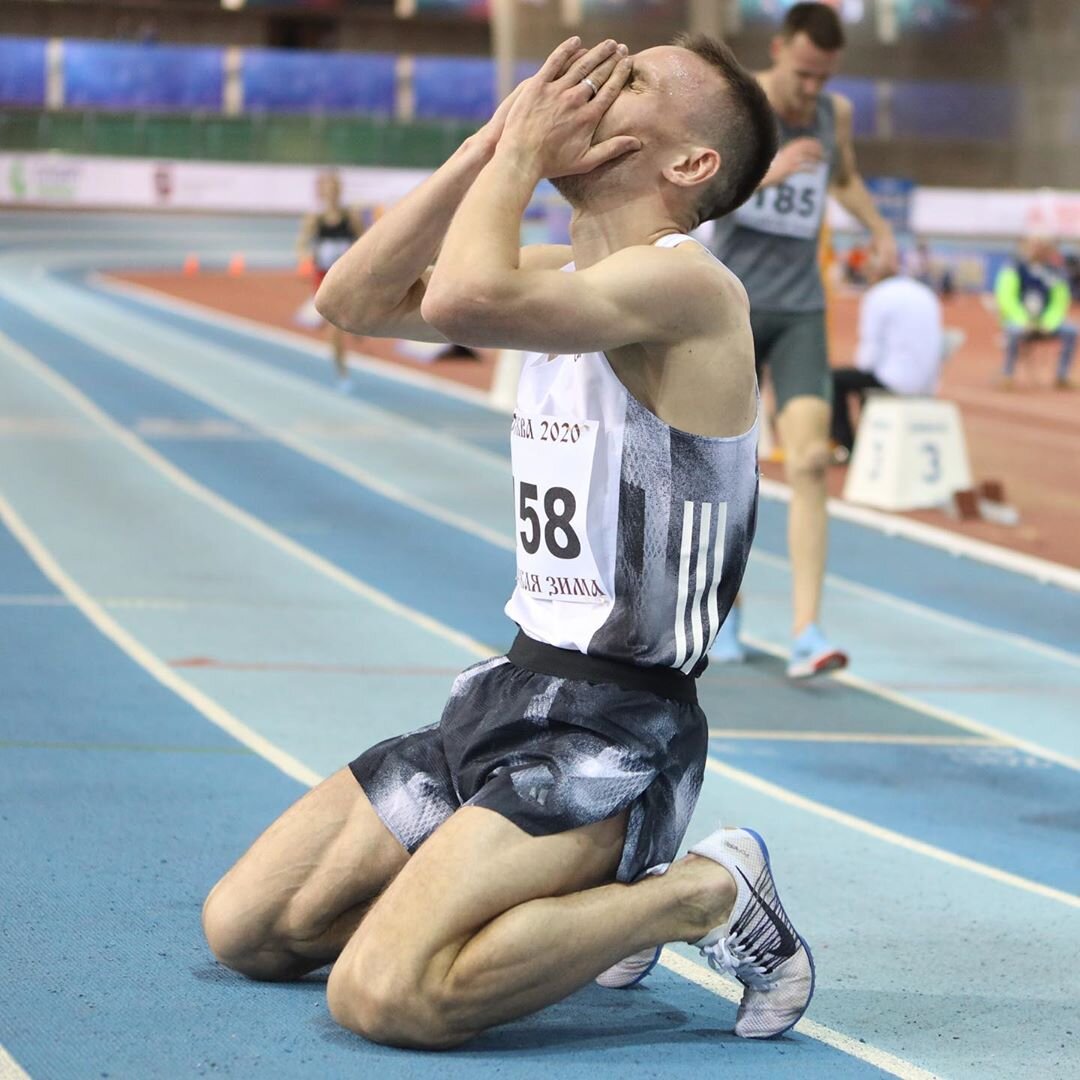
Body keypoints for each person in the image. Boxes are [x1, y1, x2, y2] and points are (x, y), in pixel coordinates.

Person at [202, 35, 815, 1050]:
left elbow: (458, 299)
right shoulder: (566, 273)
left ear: (689, 165)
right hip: (505, 695)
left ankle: (706, 891)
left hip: (617, 733)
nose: (589, 86)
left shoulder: (692, 291)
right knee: (251, 929)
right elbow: (350, 301)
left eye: (631, 82)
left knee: (384, 996)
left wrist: (521, 156)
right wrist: (489, 142)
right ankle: (568, 924)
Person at [708, 2, 896, 678]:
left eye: (825, 77)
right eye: (806, 73)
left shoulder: (833, 114)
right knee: (727, 467)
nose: (813, 89)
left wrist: (878, 228)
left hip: (801, 309)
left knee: (812, 459)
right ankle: (723, 613)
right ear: (782, 47)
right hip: (732, 308)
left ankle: (807, 633)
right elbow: (704, 188)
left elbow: (841, 177)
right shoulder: (739, 103)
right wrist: (772, 171)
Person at [830, 254, 944, 455]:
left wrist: (863, 372)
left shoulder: (877, 296)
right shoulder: (924, 292)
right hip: (928, 383)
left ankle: (847, 446)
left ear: (873, 275)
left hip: (894, 379)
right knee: (867, 380)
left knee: (834, 379)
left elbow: (868, 354)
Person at [296, 172, 365, 392]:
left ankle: (354, 326)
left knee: (352, 320)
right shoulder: (315, 218)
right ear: (322, 191)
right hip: (324, 277)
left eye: (335, 188)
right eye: (328, 188)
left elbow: (365, 240)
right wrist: (306, 258)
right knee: (336, 327)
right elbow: (301, 245)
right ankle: (342, 373)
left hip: (346, 274)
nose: (332, 192)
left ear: (340, 190)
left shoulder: (350, 215)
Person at [995, 236, 1077, 390]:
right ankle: (1007, 375)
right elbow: (1006, 298)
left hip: (1046, 323)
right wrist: (1024, 321)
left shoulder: (1056, 272)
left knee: (1072, 331)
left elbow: (1059, 301)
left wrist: (1047, 322)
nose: (1038, 249)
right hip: (1019, 322)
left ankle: (1062, 376)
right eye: (1035, 245)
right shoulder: (1014, 268)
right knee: (1013, 332)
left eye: (1042, 245)